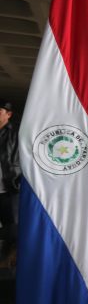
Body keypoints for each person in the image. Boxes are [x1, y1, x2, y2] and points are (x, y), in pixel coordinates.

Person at [0, 101, 19, 260]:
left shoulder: (17, 133)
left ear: (9, 114)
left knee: (12, 228)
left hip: (9, 188)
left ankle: (9, 262)